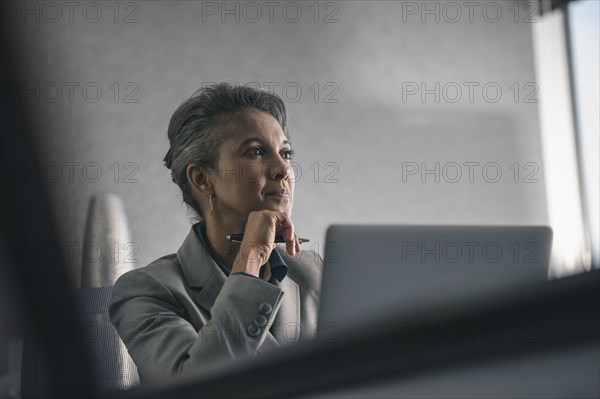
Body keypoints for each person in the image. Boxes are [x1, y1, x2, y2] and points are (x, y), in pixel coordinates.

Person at [109, 83, 322, 382]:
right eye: (256, 151)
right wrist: (249, 258)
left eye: (285, 153)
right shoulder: (147, 291)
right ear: (202, 179)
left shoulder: (314, 273)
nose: (282, 170)